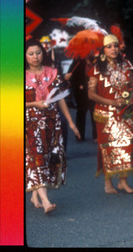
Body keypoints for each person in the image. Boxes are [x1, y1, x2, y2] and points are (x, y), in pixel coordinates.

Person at [25, 38, 80, 214]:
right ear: (25, 56)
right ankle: (46, 201)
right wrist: (35, 104)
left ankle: (35, 195)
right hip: (30, 124)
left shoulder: (52, 72)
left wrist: (71, 124)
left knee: (48, 159)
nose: (35, 57)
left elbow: (60, 99)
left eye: (38, 52)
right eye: (31, 54)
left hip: (52, 124)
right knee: (37, 158)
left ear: (44, 53)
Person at [88, 34, 133, 194]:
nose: (113, 49)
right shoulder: (96, 68)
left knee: (127, 145)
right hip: (106, 115)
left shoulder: (127, 65)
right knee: (108, 148)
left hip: (125, 113)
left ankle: (123, 181)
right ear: (103, 50)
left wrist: (130, 100)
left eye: (115, 46)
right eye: (109, 46)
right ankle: (108, 183)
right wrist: (111, 103)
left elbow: (132, 86)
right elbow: (91, 94)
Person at [65, 55, 97, 142]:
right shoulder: (78, 61)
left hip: (93, 90)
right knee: (81, 113)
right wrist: (79, 85)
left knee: (94, 112)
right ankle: (80, 135)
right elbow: (72, 75)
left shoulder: (94, 60)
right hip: (81, 92)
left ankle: (96, 135)